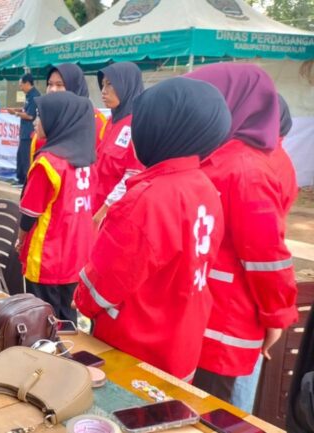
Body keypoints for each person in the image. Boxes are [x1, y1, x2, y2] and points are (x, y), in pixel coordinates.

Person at [73, 77, 230, 381]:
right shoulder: (204, 186)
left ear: (160, 129)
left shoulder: (148, 198)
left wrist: (82, 299)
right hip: (181, 342)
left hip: (134, 349)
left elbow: (103, 283)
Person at [186, 63, 298, 401]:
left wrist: (277, 316)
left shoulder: (246, 169)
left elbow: (268, 257)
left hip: (226, 322)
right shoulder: (220, 155)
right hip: (202, 309)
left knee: (212, 412)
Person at [229, 93, 300, 411]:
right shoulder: (276, 157)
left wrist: (276, 315)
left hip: (241, 300)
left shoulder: (253, 165)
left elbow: (266, 252)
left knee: (230, 398)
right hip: (251, 296)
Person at [15, 92, 96, 323]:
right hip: (76, 258)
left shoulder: (48, 163)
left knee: (41, 322)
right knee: (68, 323)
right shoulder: (87, 160)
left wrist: (21, 240)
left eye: (41, 116)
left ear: (57, 120)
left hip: (47, 261)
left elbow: (29, 215)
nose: (35, 121)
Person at [92, 62, 145, 227]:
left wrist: (104, 211)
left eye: (110, 84)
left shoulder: (138, 123)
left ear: (127, 85)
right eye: (102, 85)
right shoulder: (111, 121)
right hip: (96, 206)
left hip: (114, 215)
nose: (103, 91)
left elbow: (133, 177)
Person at [30, 64, 108, 161]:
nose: (52, 90)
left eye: (59, 85)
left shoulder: (97, 121)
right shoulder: (46, 119)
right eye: (50, 84)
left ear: (75, 87)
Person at [8, 73, 40, 186]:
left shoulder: (34, 96)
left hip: (29, 132)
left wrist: (16, 113)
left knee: (26, 157)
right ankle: (20, 178)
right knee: (21, 155)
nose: (20, 88)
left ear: (27, 84)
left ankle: (26, 181)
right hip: (24, 131)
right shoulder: (28, 96)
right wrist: (16, 110)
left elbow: (30, 115)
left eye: (21, 85)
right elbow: (24, 109)